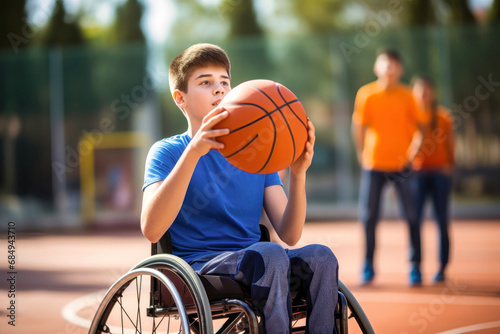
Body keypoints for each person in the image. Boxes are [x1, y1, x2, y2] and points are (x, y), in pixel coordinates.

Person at [140, 43, 338, 333]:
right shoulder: (167, 152)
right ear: (180, 98)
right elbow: (152, 229)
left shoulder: (257, 154)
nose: (219, 90)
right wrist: (194, 153)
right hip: (199, 269)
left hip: (258, 262)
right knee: (268, 254)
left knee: (321, 257)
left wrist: (298, 174)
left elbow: (291, 234)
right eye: (205, 82)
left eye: (224, 82)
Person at [351, 48, 425, 286]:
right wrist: (361, 153)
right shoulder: (366, 94)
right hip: (374, 164)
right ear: (376, 66)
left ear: (400, 69)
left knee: (412, 216)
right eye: (385, 62)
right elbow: (358, 126)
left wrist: (412, 155)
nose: (389, 67)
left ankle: (415, 266)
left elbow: (421, 131)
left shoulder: (408, 95)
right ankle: (368, 265)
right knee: (369, 217)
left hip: (402, 166)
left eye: (394, 63)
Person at [411, 75, 455, 283]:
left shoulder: (444, 117)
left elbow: (451, 146)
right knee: (415, 220)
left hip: (439, 173)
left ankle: (442, 267)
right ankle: (416, 267)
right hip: (417, 173)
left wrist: (449, 167)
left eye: (427, 90)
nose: (423, 94)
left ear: (432, 93)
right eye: (420, 90)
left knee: (442, 220)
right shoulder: (411, 117)